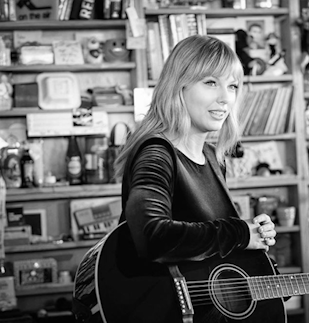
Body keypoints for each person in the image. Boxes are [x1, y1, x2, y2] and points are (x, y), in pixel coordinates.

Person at [112, 35, 279, 321]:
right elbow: (153, 237)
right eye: (210, 83)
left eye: (232, 86)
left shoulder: (213, 157)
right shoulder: (157, 153)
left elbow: (213, 249)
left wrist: (255, 245)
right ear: (179, 85)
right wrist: (239, 233)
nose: (225, 98)